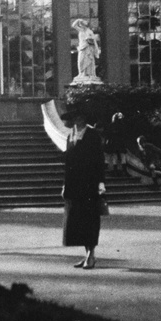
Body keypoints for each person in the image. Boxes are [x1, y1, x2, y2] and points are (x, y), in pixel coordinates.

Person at [61, 109, 106, 270]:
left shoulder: (92, 136)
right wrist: (65, 185)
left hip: (90, 183)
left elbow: (100, 160)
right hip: (74, 184)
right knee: (78, 221)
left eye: (81, 117)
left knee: (90, 220)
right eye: (75, 117)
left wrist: (101, 183)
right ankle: (87, 253)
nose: (78, 120)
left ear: (85, 118)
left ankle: (91, 255)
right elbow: (68, 164)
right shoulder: (70, 136)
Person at [102, 112, 132, 176]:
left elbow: (108, 135)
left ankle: (116, 170)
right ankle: (123, 170)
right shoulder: (121, 125)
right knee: (121, 156)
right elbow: (124, 135)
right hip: (119, 142)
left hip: (114, 142)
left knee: (115, 156)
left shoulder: (111, 125)